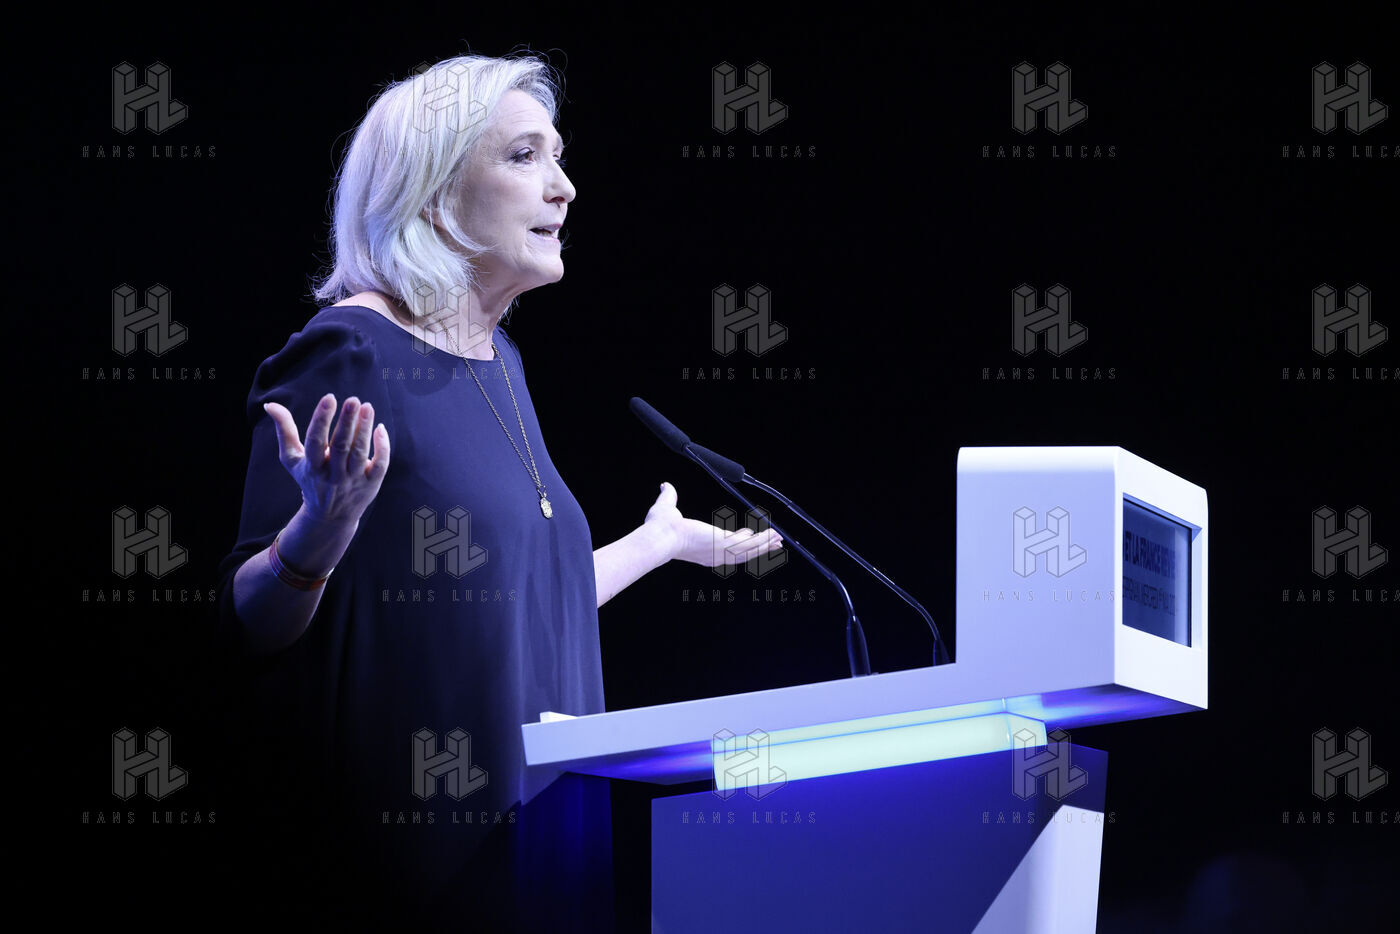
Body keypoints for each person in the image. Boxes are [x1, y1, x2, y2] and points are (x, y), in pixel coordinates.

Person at [214, 52, 782, 927]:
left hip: (547, 835)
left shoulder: (500, 362)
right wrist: (319, 530)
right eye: (524, 156)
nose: (565, 188)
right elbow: (247, 623)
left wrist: (656, 544)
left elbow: (512, 601)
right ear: (434, 193)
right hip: (428, 857)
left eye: (558, 157)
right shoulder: (352, 351)